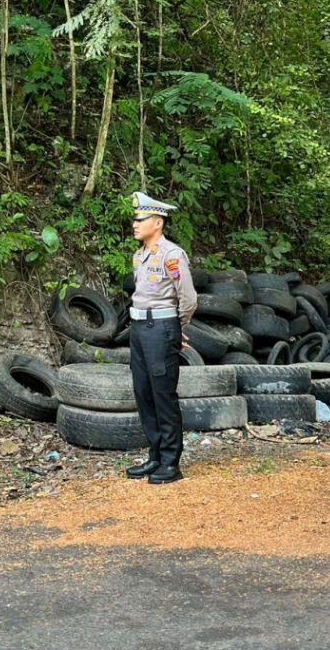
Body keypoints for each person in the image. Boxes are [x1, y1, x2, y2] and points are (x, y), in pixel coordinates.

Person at [126, 191, 197, 484]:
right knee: (143, 392)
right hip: (140, 328)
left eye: (140, 219)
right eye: (135, 219)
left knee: (163, 394)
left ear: (157, 222)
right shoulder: (139, 255)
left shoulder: (172, 255)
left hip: (162, 326)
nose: (135, 224)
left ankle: (171, 462)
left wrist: (175, 329)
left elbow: (189, 299)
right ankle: (155, 456)